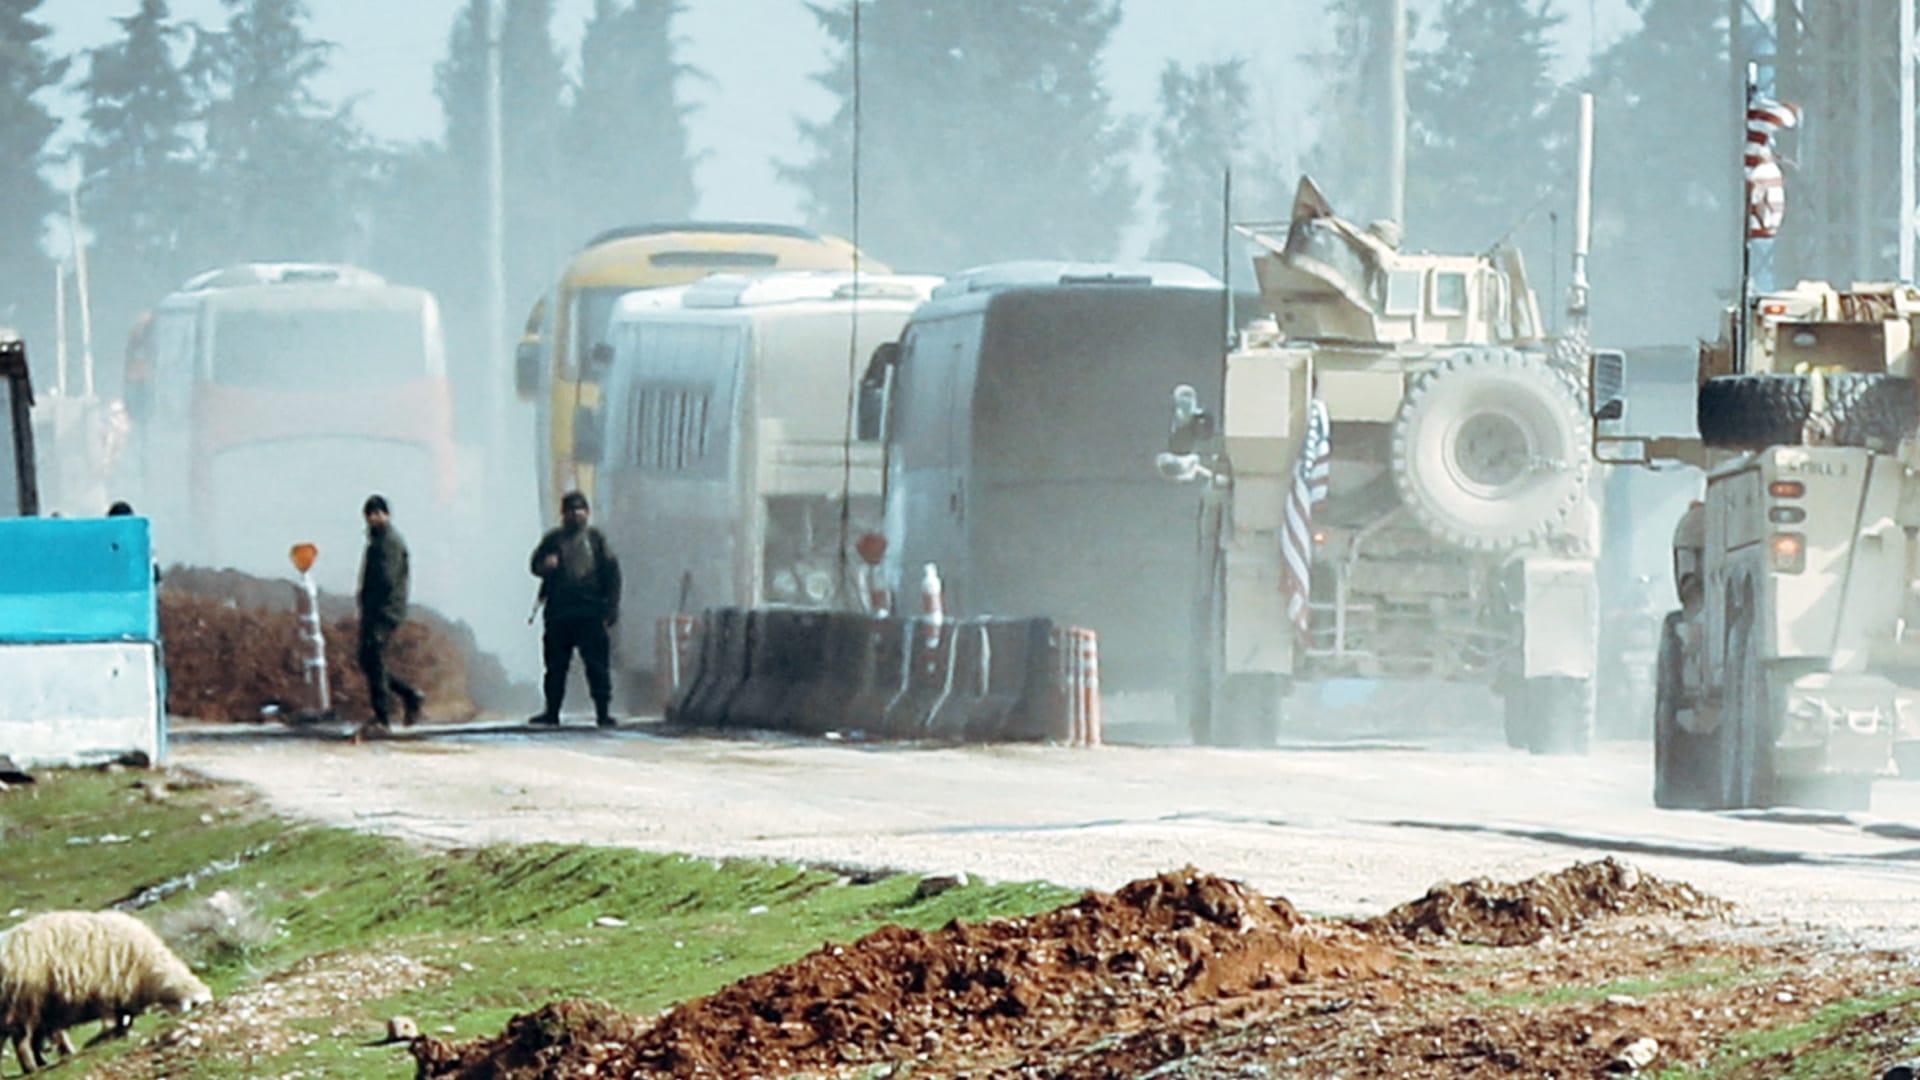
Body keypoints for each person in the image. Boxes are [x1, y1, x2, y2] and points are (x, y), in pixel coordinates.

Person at [528, 491, 621, 728]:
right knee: (556, 667)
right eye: (571, 510)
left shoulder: (596, 540)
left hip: (590, 612)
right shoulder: (553, 540)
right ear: (563, 514)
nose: (576, 514)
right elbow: (534, 565)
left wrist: (611, 606)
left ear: (587, 513)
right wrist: (545, 565)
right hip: (559, 613)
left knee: (597, 666)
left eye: (580, 509)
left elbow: (612, 574)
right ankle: (552, 712)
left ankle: (603, 712)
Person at [356, 494, 424, 737]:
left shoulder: (389, 542)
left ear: (386, 514)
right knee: (367, 658)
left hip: (385, 609)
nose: (374, 518)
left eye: (378, 513)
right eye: (370, 514)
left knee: (373, 657)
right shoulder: (377, 540)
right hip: (376, 609)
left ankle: (383, 716)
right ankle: (409, 695)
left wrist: (372, 601)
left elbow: (385, 578)